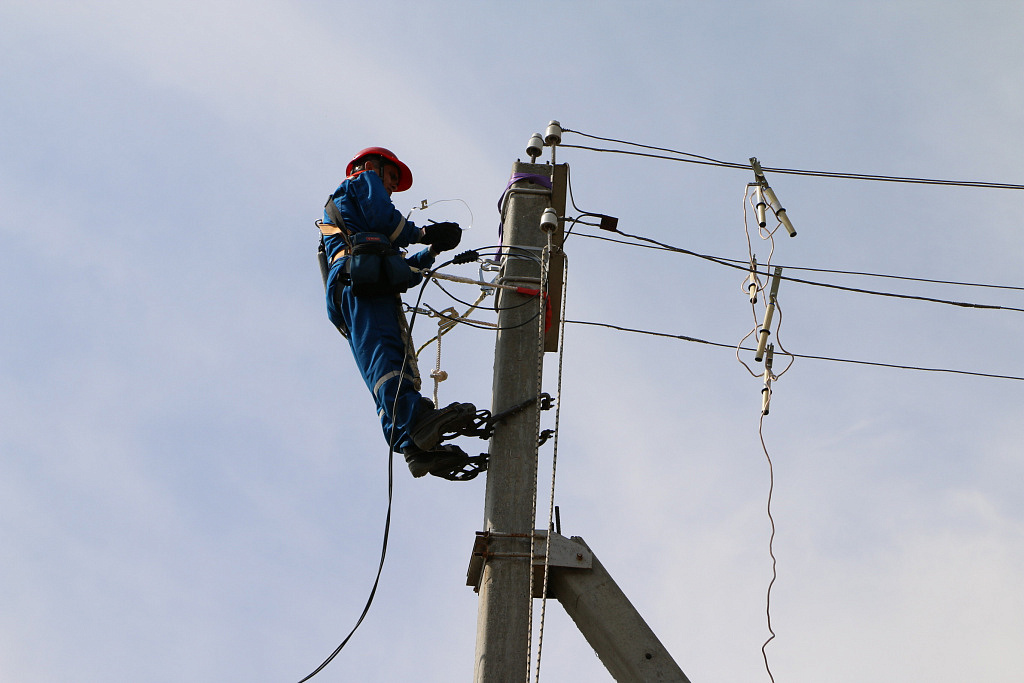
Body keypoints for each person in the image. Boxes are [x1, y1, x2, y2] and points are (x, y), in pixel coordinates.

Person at [318, 147, 478, 479]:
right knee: (385, 353)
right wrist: (422, 233)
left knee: (383, 359)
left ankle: (413, 446)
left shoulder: (361, 222)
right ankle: (414, 421)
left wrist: (432, 249)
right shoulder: (362, 180)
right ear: (370, 166)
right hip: (358, 281)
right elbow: (382, 218)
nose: (390, 186)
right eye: (391, 177)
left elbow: (401, 269)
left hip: (360, 284)